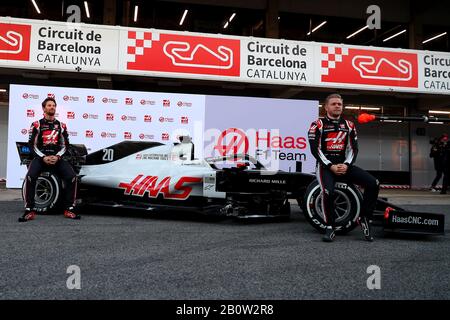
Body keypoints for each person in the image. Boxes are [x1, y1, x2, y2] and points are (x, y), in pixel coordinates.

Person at [308, 93, 380, 242]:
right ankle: (330, 227)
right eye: (333, 104)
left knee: (373, 183)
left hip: (344, 164)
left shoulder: (349, 125)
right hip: (325, 166)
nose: (337, 106)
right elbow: (315, 150)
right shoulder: (317, 125)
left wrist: (346, 165)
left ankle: (364, 219)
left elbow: (354, 149)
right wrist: (330, 165)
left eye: (339, 104)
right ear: (326, 107)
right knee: (328, 192)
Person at [19, 97, 80, 222]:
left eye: (53, 105)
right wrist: (43, 157)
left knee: (72, 177)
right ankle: (29, 210)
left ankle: (69, 208)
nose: (52, 107)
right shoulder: (37, 124)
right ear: (43, 108)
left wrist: (57, 156)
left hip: (57, 157)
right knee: (30, 177)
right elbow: (32, 145)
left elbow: (65, 145)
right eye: (49, 105)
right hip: (40, 157)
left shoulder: (61, 126)